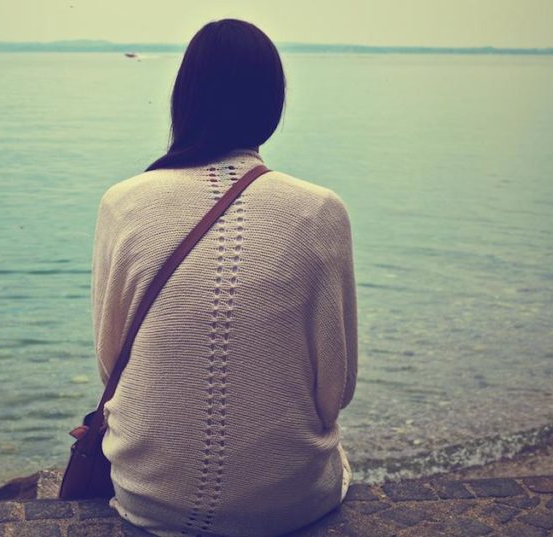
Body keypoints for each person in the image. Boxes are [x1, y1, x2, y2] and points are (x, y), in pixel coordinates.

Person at [89, 18, 357, 537]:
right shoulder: (320, 211)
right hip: (291, 500)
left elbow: (110, 363)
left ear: (183, 98)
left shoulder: (123, 203)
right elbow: (337, 389)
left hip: (150, 497)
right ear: (271, 104)